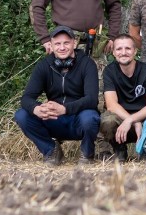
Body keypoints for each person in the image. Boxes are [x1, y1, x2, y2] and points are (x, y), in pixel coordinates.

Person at [14, 26, 100, 165]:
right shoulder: (44, 66)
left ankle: (87, 154)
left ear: (74, 43)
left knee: (90, 117)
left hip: (77, 119)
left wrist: (65, 109)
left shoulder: (87, 64)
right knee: (21, 115)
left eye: (66, 43)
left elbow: (91, 99)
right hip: (54, 119)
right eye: (57, 44)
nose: (62, 47)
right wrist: (36, 108)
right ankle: (51, 151)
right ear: (51, 46)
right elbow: (26, 98)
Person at [100, 34, 146, 162]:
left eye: (128, 48)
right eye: (119, 49)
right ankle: (119, 149)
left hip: (144, 119)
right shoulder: (109, 71)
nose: (123, 52)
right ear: (114, 52)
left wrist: (133, 120)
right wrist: (132, 121)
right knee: (108, 121)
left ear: (135, 51)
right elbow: (111, 105)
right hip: (121, 120)